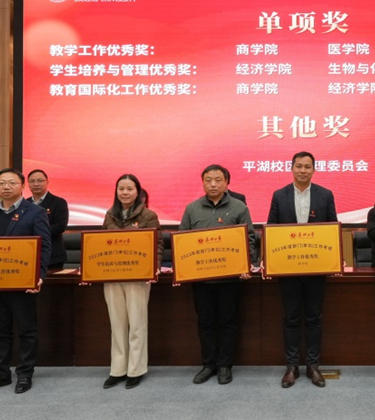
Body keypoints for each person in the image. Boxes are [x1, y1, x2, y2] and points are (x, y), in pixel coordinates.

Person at [0, 168, 52, 395]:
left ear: (22, 186)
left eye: (12, 183)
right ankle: (0, 373)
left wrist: (39, 276)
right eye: (1, 183)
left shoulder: (35, 212)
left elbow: (45, 246)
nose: (6, 187)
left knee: (27, 330)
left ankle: (25, 373)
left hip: (22, 282)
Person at [179, 164, 257, 385]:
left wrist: (246, 264)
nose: (213, 184)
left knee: (227, 322)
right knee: (205, 322)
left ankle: (224, 365)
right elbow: (182, 240)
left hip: (229, 279)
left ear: (226, 183)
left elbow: (249, 239)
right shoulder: (192, 209)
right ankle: (208, 365)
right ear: (203, 183)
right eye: (208, 180)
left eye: (218, 180)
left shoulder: (239, 207)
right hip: (202, 279)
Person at [266, 151, 338, 388]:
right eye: (299, 166)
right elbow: (272, 228)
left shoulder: (325, 195)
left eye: (307, 166)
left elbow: (332, 228)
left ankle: (313, 366)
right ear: (292, 168)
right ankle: (291, 367)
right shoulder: (279, 195)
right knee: (291, 318)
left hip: (316, 268)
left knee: (314, 318)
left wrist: (333, 259)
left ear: (314, 170)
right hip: (288, 269)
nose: (303, 170)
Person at [97, 174, 162, 389]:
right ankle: (117, 370)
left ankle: (135, 369)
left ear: (138, 191)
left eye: (129, 188)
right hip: (112, 275)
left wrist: (154, 266)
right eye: (121, 188)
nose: (125, 192)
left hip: (138, 276)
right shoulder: (110, 214)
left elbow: (157, 244)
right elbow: (100, 243)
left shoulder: (148, 215)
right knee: (117, 324)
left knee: (136, 324)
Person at [27, 169, 69, 270]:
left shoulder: (58, 202)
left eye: (40, 180)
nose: (36, 184)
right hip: (29, 254)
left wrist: (36, 233)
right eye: (32, 181)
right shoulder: (25, 204)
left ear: (47, 182)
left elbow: (60, 226)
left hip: (53, 255)